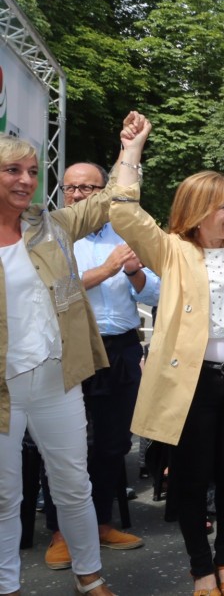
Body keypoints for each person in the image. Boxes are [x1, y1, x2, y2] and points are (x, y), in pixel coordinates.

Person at [109, 111, 224, 596]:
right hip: (192, 384)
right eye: (221, 207)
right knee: (192, 479)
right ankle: (200, 567)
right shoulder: (170, 249)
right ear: (194, 209)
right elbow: (123, 213)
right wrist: (131, 152)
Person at [0, 137, 120, 596]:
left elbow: (109, 201)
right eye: (13, 170)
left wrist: (129, 150)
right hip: (4, 389)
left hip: (55, 377)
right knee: (6, 497)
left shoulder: (49, 226)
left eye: (32, 171)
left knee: (73, 485)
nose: (27, 180)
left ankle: (89, 577)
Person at [35, 162, 159, 570]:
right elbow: (52, 292)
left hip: (121, 349)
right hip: (69, 348)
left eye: (89, 188)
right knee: (67, 447)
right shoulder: (49, 234)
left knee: (112, 443)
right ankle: (60, 532)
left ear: (105, 191)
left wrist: (135, 272)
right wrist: (105, 270)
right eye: (71, 188)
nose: (78, 195)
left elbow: (159, 291)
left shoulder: (127, 232)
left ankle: (101, 522)